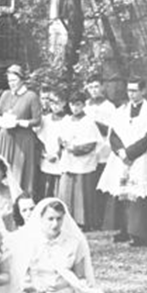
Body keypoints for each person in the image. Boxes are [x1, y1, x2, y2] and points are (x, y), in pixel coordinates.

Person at [98, 79, 147, 247]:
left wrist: (130, 153)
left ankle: (140, 233)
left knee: (139, 195)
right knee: (122, 194)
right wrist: (121, 151)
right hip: (122, 159)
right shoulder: (120, 112)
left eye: (135, 90)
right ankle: (123, 229)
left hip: (141, 159)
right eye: (129, 90)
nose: (131, 94)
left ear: (143, 91)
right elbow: (113, 134)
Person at [0, 64, 42, 198]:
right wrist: (1, 121)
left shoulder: (31, 96)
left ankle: (20, 200)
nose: (11, 84)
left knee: (19, 170)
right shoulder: (5, 95)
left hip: (22, 140)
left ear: (22, 80)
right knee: (1, 168)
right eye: (9, 81)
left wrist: (19, 123)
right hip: (5, 138)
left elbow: (37, 120)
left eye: (14, 81)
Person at [58, 91, 101, 230]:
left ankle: (82, 221)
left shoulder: (88, 122)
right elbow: (60, 137)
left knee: (81, 191)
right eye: (72, 105)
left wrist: (75, 148)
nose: (75, 108)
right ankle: (66, 219)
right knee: (66, 189)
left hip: (82, 161)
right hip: (68, 160)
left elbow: (91, 144)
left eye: (78, 105)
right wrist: (63, 143)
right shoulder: (67, 120)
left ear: (83, 105)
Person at [84, 76, 117, 227]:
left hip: (103, 149)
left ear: (102, 87)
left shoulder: (109, 107)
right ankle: (91, 217)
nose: (94, 90)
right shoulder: (85, 105)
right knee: (89, 185)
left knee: (101, 184)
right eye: (90, 87)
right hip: (89, 149)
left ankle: (103, 219)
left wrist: (94, 123)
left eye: (96, 86)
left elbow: (112, 129)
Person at [36, 89, 66, 198]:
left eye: (58, 103)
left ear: (64, 103)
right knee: (45, 188)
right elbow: (41, 139)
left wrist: (57, 155)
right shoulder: (46, 119)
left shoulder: (67, 120)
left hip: (60, 160)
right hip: (46, 158)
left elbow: (65, 143)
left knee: (58, 190)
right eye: (52, 103)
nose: (55, 106)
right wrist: (45, 155)